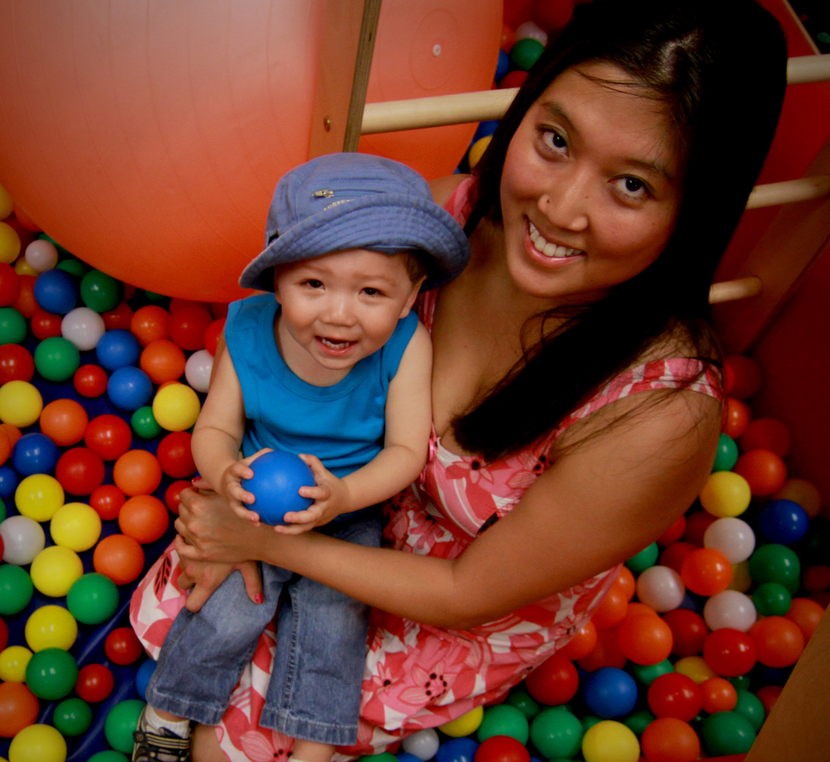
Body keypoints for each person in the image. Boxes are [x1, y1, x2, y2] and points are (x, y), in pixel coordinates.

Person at [130, 1, 788, 759]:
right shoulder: (440, 226)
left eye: (632, 186)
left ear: (696, 208)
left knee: (242, 742)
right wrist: (252, 480)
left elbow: (465, 594)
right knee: (191, 633)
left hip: (442, 599)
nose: (559, 208)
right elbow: (305, 339)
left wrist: (264, 538)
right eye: (554, 139)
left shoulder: (659, 412)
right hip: (338, 490)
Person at [131, 152, 471, 762]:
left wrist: (343, 497)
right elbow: (214, 428)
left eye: (371, 291)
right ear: (278, 279)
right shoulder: (249, 331)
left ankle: (315, 746)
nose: (339, 314)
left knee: (333, 624)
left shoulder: (406, 346)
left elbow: (402, 452)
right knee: (225, 608)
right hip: (252, 505)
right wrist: (225, 474)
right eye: (313, 284)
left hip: (349, 508)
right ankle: (167, 715)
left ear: (408, 296)